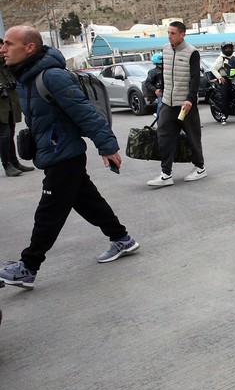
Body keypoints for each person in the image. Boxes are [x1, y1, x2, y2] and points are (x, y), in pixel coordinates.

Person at [0, 26, 139, 289]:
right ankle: (122, 239)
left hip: (63, 155)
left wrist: (107, 146)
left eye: (8, 44)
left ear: (29, 47)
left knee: (48, 213)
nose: (2, 49)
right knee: (88, 201)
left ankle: (28, 266)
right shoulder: (26, 76)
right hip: (54, 152)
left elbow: (84, 112)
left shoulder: (51, 76)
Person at [147, 21, 206, 186]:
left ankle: (199, 167)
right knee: (164, 137)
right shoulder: (165, 49)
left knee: (193, 136)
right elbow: (165, 73)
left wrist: (190, 99)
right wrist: (161, 93)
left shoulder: (192, 53)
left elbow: (195, 78)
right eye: (168, 33)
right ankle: (166, 174)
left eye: (173, 33)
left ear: (182, 34)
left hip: (185, 104)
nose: (169, 36)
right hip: (167, 102)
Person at [0, 38, 35, 176]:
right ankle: (7, 165)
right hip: (1, 108)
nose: (2, 51)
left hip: (10, 104)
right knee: (4, 136)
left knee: (10, 134)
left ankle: (14, 162)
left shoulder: (7, 66)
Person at [209, 41, 235, 125]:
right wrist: (220, 77)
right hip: (225, 79)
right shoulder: (221, 58)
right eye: (226, 48)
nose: (228, 50)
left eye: (230, 48)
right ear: (223, 49)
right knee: (225, 95)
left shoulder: (234, 56)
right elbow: (213, 68)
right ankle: (223, 115)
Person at [143, 52, 164, 117]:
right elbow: (147, 83)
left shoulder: (167, 70)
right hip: (161, 92)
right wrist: (155, 90)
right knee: (161, 107)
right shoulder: (153, 72)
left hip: (168, 91)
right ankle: (159, 121)